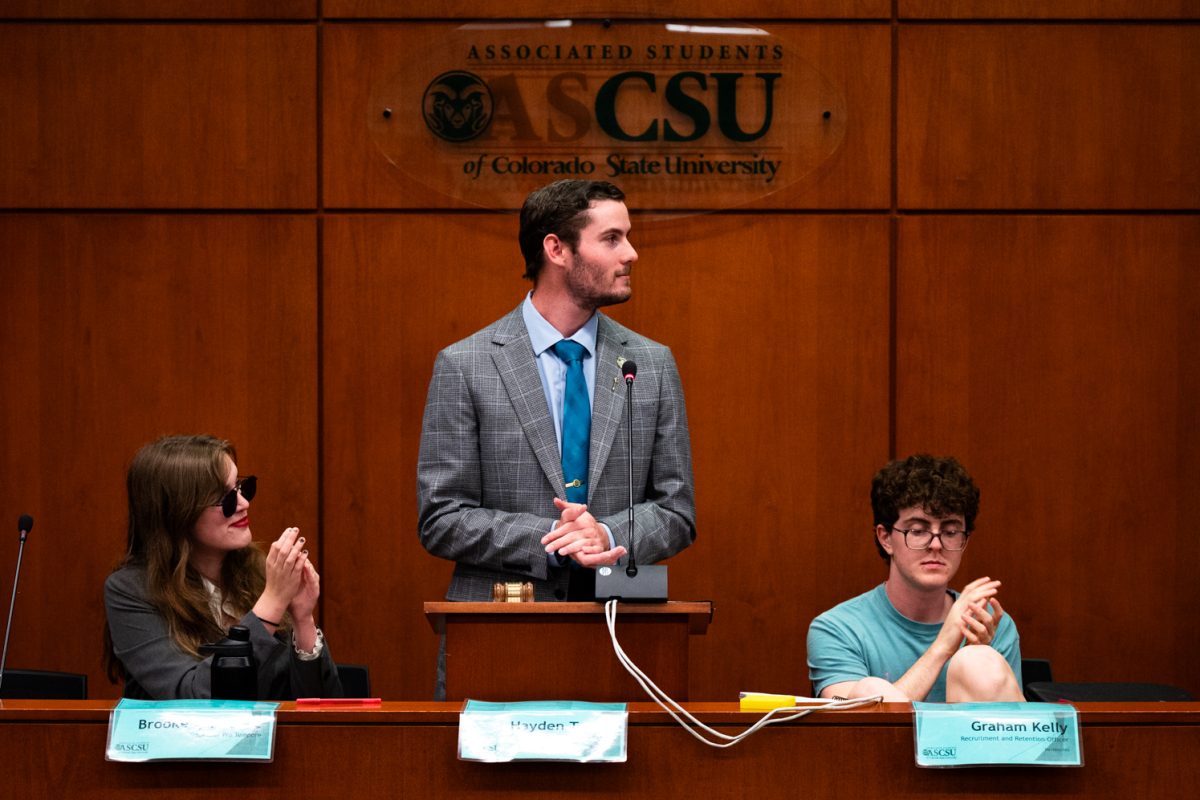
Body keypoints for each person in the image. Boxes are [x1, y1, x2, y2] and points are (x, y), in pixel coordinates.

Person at [417, 179, 696, 602]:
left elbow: (677, 510)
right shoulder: (465, 365)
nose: (631, 253)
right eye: (611, 238)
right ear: (557, 250)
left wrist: (604, 534)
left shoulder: (651, 364)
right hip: (499, 628)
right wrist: (552, 537)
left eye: (628, 237)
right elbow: (442, 518)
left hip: (620, 625)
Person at [104, 434, 342, 699]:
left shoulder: (259, 572)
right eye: (225, 498)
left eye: (242, 488)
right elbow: (192, 695)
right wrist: (272, 604)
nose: (244, 504)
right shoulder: (132, 590)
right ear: (178, 514)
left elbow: (323, 713)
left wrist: (303, 620)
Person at [807, 454, 1023, 702]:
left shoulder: (987, 620)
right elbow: (854, 730)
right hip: (884, 741)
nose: (935, 544)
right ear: (886, 538)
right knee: (869, 690)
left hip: (973, 741)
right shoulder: (838, 628)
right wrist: (944, 646)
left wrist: (977, 676)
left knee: (976, 663)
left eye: (950, 531)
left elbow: (1015, 733)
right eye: (918, 531)